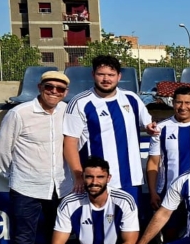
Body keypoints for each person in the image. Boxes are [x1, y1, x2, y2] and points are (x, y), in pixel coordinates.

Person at [0, 70, 72, 244]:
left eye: (60, 89)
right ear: (40, 87)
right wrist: (21, 175)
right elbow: (2, 151)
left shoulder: (68, 112)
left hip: (60, 189)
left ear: (66, 92)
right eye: (50, 87)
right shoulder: (19, 113)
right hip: (26, 189)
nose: (54, 92)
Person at [63, 55, 156, 202]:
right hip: (97, 181)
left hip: (131, 179)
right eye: (101, 74)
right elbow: (69, 143)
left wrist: (150, 128)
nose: (106, 79)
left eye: (111, 75)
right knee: (97, 223)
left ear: (119, 76)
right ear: (93, 75)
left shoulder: (131, 98)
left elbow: (147, 124)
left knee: (130, 224)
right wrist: (79, 176)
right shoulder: (80, 102)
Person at [146, 86, 190, 212]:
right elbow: (153, 163)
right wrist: (153, 192)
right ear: (172, 103)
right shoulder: (160, 128)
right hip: (168, 192)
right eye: (179, 102)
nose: (183, 107)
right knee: (170, 231)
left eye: (188, 103)